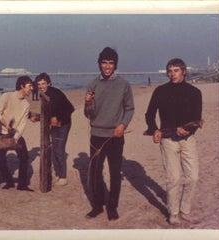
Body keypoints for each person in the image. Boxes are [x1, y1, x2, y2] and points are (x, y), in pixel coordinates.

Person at [145, 58, 202, 225]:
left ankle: (185, 210)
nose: (172, 74)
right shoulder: (160, 91)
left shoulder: (194, 92)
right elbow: (149, 114)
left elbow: (197, 118)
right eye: (169, 71)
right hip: (168, 140)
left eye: (176, 70)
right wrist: (154, 129)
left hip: (188, 140)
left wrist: (189, 130)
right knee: (174, 178)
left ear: (184, 71)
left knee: (193, 177)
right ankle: (174, 213)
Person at [84, 47, 134, 221]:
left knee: (114, 172)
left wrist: (123, 124)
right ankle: (97, 206)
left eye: (111, 63)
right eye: (104, 62)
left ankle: (112, 207)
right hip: (96, 135)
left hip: (116, 135)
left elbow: (129, 108)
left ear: (115, 65)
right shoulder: (92, 84)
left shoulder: (124, 84)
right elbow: (88, 113)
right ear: (99, 64)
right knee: (95, 172)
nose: (107, 66)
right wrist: (88, 103)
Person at [0, 75, 34, 191]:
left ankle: (22, 185)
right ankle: (9, 181)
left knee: (24, 157)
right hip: (0, 132)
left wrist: (16, 137)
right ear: (22, 86)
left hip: (14, 132)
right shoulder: (7, 96)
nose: (32, 88)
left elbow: (22, 124)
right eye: (29, 86)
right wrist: (6, 123)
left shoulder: (26, 104)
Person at [36, 72, 74, 186]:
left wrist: (57, 118)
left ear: (49, 83)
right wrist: (38, 117)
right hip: (54, 125)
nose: (41, 86)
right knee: (54, 149)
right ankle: (58, 174)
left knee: (59, 149)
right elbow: (47, 112)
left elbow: (70, 108)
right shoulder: (43, 94)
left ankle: (63, 177)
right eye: (39, 84)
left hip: (64, 123)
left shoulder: (55, 93)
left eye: (43, 84)